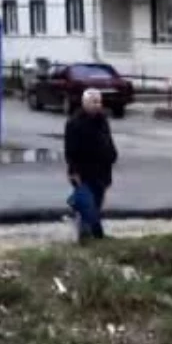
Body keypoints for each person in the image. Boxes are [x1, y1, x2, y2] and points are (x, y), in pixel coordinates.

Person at [64, 88, 118, 241]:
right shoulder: (74, 123)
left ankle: (95, 236)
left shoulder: (102, 120)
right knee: (87, 205)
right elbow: (70, 150)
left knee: (97, 203)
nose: (98, 105)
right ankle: (87, 237)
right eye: (94, 102)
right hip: (83, 171)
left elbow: (108, 140)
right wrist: (74, 171)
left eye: (99, 101)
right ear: (85, 103)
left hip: (102, 170)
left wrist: (113, 155)